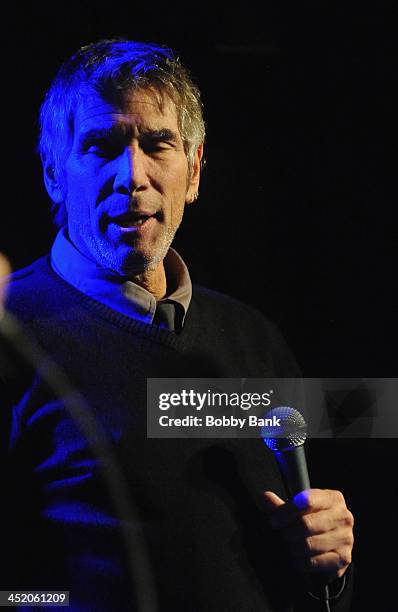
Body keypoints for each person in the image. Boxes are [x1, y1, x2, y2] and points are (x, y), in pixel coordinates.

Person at [0, 39, 354, 611]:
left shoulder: (254, 338)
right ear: (53, 174)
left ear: (193, 171)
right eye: (102, 145)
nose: (132, 175)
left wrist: (329, 570)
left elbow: (315, 560)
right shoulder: (10, 337)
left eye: (157, 144)